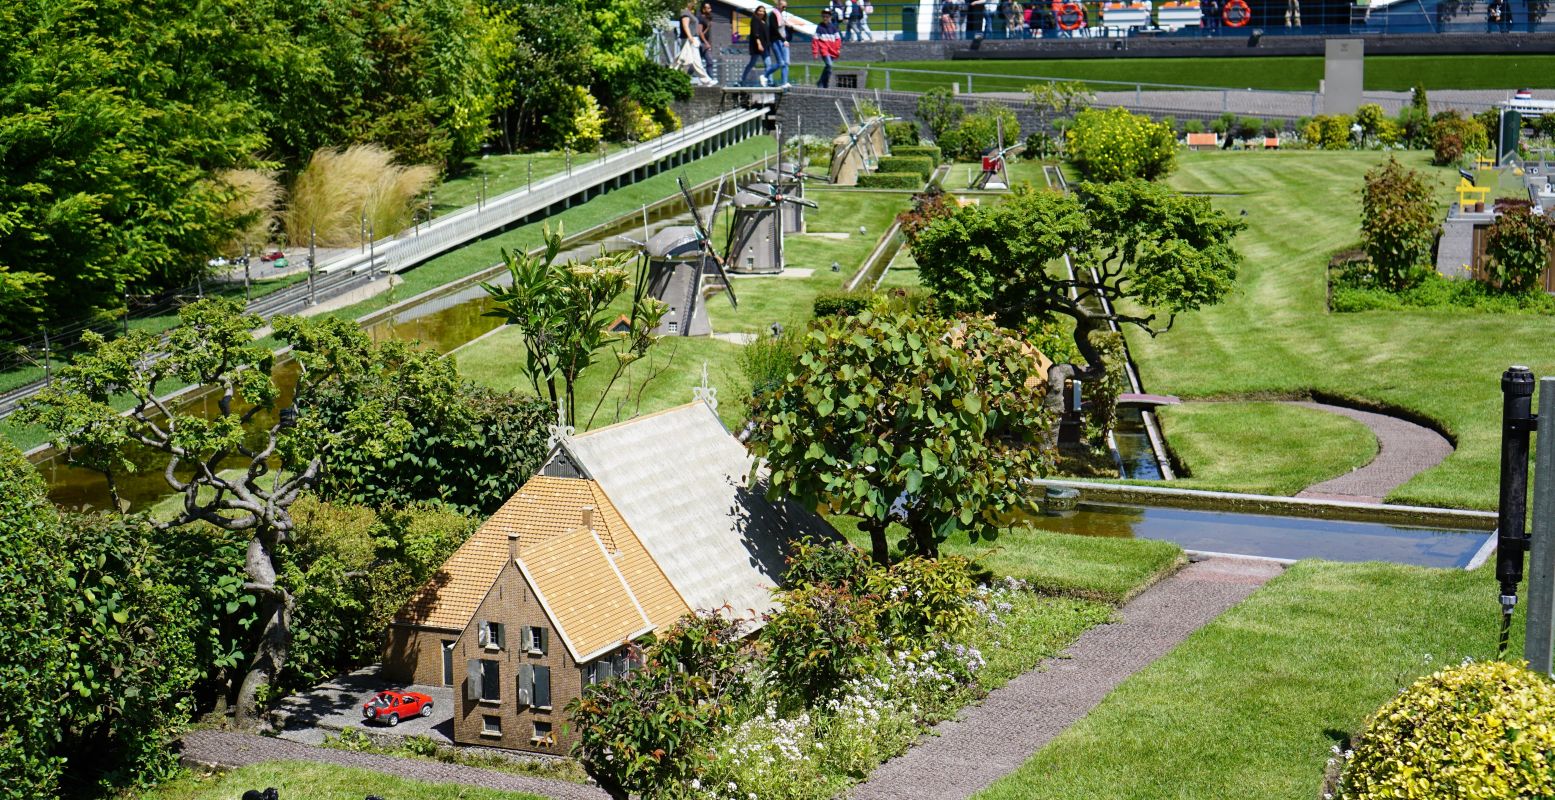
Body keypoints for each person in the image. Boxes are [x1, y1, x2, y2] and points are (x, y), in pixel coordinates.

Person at [675, 0, 717, 86]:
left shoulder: (690, 13)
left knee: (691, 62)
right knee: (684, 61)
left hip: (692, 39)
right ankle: (706, 81)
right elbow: (685, 25)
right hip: (689, 39)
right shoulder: (685, 13)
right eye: (693, 2)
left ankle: (706, 81)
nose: (695, 4)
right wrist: (690, 37)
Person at [764, 0, 792, 88]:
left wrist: (789, 28)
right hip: (777, 40)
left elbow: (782, 29)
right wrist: (783, 40)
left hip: (784, 40)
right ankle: (765, 75)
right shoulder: (773, 15)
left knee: (786, 62)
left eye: (786, 7)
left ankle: (784, 83)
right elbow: (774, 30)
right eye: (783, 6)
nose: (785, 8)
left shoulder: (781, 15)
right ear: (778, 5)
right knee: (781, 63)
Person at [740, 6, 769, 86]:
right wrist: (759, 44)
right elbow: (755, 33)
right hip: (757, 46)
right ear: (756, 11)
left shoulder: (764, 21)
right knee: (752, 63)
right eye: (759, 11)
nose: (761, 13)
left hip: (765, 46)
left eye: (763, 11)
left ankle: (768, 81)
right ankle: (743, 79)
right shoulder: (755, 20)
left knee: (768, 64)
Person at [813, 8, 842, 87]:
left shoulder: (834, 27)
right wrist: (815, 52)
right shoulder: (819, 27)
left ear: (830, 17)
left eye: (827, 16)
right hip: (824, 50)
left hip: (833, 51)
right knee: (829, 65)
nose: (825, 18)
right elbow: (815, 40)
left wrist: (837, 49)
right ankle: (823, 84)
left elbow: (838, 39)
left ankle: (822, 83)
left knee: (828, 68)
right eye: (824, 16)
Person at [698, 3, 715, 76]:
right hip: (701, 44)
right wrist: (706, 43)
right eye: (707, 8)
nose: (709, 10)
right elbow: (700, 32)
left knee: (709, 62)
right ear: (703, 9)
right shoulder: (701, 18)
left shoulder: (708, 19)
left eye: (710, 8)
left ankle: (710, 80)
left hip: (705, 43)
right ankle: (710, 79)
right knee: (708, 62)